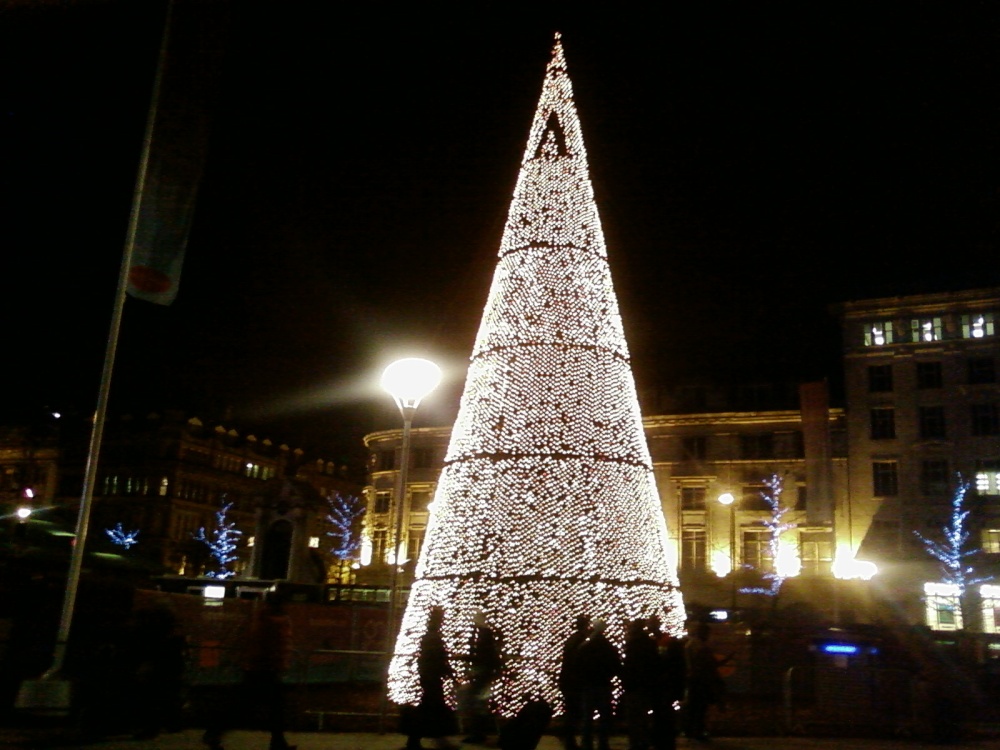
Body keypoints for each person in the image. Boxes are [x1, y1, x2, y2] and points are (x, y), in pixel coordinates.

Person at [204, 591, 295, 750]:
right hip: (265, 670)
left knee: (249, 705)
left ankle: (215, 732)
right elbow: (272, 646)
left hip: (259, 669)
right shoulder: (274, 622)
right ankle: (277, 742)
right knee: (272, 707)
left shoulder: (263, 619)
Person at [406, 606, 457, 750]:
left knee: (431, 707)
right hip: (432, 677)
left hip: (429, 676)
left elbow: (436, 659)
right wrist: (450, 674)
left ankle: (420, 738)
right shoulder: (434, 637)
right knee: (430, 707)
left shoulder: (430, 636)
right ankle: (418, 738)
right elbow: (439, 659)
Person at [576, 619, 620, 750]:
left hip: (589, 684)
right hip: (603, 684)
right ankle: (602, 742)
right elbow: (615, 664)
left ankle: (587, 742)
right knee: (604, 716)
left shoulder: (586, 645)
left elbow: (579, 662)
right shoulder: (608, 646)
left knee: (587, 716)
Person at [461, 609, 502, 743]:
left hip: (483, 674)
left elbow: (482, 656)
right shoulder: (485, 635)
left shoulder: (484, 636)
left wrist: (466, 658)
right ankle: (481, 732)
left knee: (478, 705)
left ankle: (478, 734)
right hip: (484, 674)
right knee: (480, 705)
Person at [682, 622, 725, 743]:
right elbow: (707, 664)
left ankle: (690, 730)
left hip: (693, 679)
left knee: (693, 707)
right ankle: (698, 731)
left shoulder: (690, 644)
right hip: (700, 680)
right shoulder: (700, 646)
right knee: (700, 707)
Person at [621, 619, 658, 750]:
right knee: (643, 716)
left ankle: (636, 742)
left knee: (634, 717)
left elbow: (629, 666)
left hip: (634, 685)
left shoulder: (632, 644)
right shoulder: (650, 643)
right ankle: (643, 740)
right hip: (645, 685)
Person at [557, 615, 591, 750]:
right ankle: (568, 739)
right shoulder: (581, 641)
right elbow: (579, 662)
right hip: (574, 681)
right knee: (574, 711)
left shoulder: (572, 639)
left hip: (568, 680)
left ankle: (567, 738)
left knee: (572, 710)